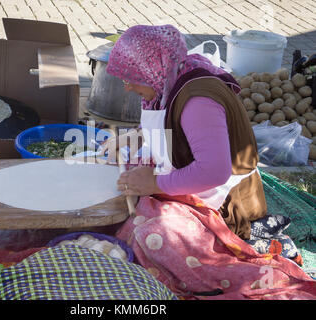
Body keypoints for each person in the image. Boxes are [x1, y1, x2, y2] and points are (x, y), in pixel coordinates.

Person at [99, 25, 316, 299]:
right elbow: (176, 127)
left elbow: (213, 171)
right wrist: (136, 136)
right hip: (191, 176)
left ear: (153, 69)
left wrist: (153, 183)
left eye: (132, 78)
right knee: (121, 176)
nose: (127, 86)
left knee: (151, 232)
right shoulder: (171, 78)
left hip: (223, 201)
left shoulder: (198, 101)